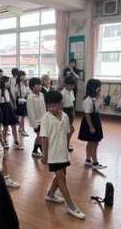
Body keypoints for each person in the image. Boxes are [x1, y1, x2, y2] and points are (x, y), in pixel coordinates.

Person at [40, 91, 85, 220]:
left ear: (61, 104)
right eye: (49, 106)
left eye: (54, 105)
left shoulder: (65, 116)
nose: (51, 108)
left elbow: (66, 134)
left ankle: (50, 194)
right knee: (62, 179)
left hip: (63, 152)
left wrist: (69, 137)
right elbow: (44, 138)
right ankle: (71, 206)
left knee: (62, 174)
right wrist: (45, 155)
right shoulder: (46, 118)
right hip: (53, 154)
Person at [78, 79, 107, 170]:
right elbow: (87, 114)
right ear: (93, 88)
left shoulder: (95, 98)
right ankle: (95, 162)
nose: (100, 89)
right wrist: (91, 126)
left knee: (91, 142)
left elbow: (98, 108)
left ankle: (88, 160)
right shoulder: (88, 100)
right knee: (94, 142)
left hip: (95, 120)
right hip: (91, 122)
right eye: (99, 87)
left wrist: (101, 103)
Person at [0, 76, 21, 150]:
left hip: (9, 108)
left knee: (14, 125)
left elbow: (10, 100)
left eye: (8, 82)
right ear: (2, 82)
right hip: (3, 109)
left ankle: (16, 141)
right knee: (5, 126)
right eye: (6, 81)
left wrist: (14, 106)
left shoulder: (8, 90)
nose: (8, 83)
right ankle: (4, 141)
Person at [26, 77, 46, 158]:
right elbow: (31, 112)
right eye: (37, 85)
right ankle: (36, 151)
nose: (40, 86)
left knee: (41, 136)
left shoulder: (42, 95)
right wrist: (34, 124)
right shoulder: (30, 97)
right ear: (32, 87)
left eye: (40, 84)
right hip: (36, 121)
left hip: (43, 119)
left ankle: (38, 150)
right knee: (40, 136)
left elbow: (44, 107)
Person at [60, 76, 76, 151]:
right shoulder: (62, 93)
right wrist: (62, 116)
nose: (72, 87)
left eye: (73, 85)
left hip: (70, 111)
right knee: (69, 130)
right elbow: (61, 106)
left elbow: (72, 103)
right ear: (65, 84)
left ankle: (66, 144)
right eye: (70, 85)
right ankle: (65, 145)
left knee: (69, 130)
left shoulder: (71, 91)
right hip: (65, 111)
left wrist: (73, 112)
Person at [13, 71, 29, 137]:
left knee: (23, 116)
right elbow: (15, 95)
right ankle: (22, 129)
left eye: (24, 75)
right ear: (19, 77)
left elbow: (27, 93)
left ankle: (21, 128)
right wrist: (14, 104)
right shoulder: (18, 85)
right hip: (19, 101)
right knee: (21, 116)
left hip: (24, 100)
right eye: (21, 76)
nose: (23, 77)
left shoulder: (25, 84)